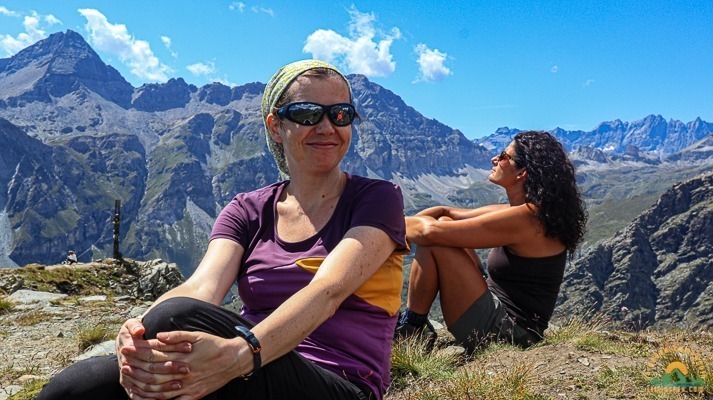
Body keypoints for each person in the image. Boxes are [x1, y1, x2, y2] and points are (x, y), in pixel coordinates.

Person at [38, 60, 408, 400]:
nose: (327, 127)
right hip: (244, 366)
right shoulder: (248, 209)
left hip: (335, 382)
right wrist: (135, 329)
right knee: (74, 387)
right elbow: (202, 287)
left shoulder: (377, 198)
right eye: (308, 113)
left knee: (176, 321)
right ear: (275, 126)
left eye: (340, 114)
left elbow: (328, 291)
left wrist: (240, 353)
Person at [395, 131, 587, 350]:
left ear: (521, 172)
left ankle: (411, 328)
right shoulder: (524, 211)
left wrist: (383, 226)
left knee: (437, 242)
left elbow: (430, 233)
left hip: (511, 333)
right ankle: (413, 327)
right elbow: (445, 211)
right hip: (500, 311)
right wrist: (412, 225)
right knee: (445, 225)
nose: (494, 159)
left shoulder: (529, 218)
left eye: (504, 156)